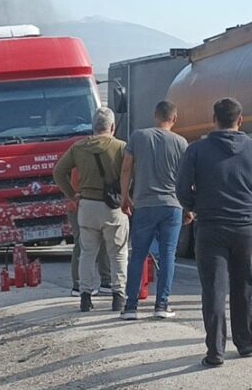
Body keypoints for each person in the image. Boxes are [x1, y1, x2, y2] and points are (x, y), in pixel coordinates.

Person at [176, 98, 252, 367]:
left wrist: (195, 207)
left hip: (210, 227)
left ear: (214, 119)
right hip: (245, 227)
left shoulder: (197, 150)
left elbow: (182, 187)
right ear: (240, 120)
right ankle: (244, 344)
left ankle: (216, 351)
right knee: (244, 285)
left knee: (214, 289)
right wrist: (251, 209)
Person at [53, 107, 130, 312]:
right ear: (112, 127)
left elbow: (59, 172)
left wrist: (72, 195)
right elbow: (131, 174)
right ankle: (118, 297)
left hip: (86, 206)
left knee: (87, 253)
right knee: (118, 253)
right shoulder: (121, 147)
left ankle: (85, 297)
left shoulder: (78, 148)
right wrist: (127, 198)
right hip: (113, 207)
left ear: (93, 126)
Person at [119, 101, 188, 320]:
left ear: (155, 115)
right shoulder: (181, 142)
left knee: (138, 254)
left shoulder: (139, 137)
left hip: (144, 204)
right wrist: (189, 206)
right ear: (174, 119)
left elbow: (126, 167)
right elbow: (185, 178)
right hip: (172, 205)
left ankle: (131, 307)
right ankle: (162, 304)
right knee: (168, 255)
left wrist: (125, 196)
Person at [67, 166, 112, 297]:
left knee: (102, 242)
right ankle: (79, 284)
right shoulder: (79, 162)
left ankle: (105, 281)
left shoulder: (83, 158)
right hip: (80, 207)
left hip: (88, 206)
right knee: (82, 244)